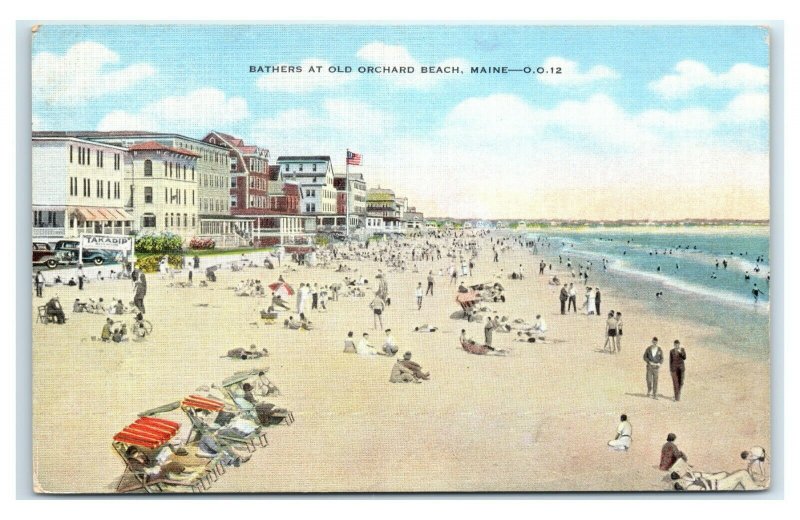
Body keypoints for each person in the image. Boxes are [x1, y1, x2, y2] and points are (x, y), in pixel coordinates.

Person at [671, 468, 764, 491]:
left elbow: (707, 476)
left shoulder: (688, 479)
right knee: (742, 473)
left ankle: (753, 487)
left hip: (719, 483)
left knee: (725, 473)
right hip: (719, 487)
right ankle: (753, 489)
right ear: (682, 487)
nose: (681, 481)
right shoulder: (690, 488)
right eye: (681, 483)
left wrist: (700, 476)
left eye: (679, 481)